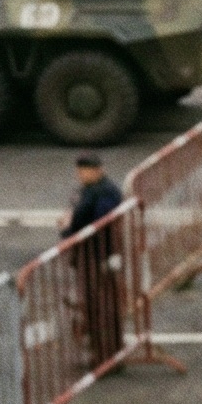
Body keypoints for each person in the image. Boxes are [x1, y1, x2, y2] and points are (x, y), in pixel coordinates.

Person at [60, 153, 127, 367]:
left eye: (84, 171)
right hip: (90, 254)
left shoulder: (104, 193)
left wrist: (71, 229)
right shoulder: (89, 190)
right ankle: (103, 353)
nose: (80, 175)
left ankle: (107, 356)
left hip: (97, 256)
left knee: (101, 306)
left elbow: (100, 224)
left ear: (97, 170)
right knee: (94, 305)